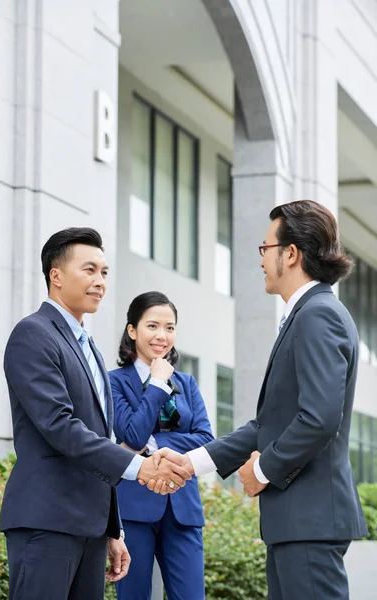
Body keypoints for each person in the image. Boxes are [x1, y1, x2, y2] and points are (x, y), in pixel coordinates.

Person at [151, 201, 369, 600]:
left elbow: (320, 418)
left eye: (264, 248)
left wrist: (263, 469)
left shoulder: (317, 315)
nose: (261, 260)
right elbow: (268, 425)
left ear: (290, 253)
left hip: (309, 521)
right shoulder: (306, 314)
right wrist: (192, 462)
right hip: (297, 523)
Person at [0, 228, 190, 600]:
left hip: (89, 528)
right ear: (56, 276)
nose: (100, 281)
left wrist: (111, 529)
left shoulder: (88, 347)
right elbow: (60, 426)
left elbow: (99, 440)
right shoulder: (33, 334)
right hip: (47, 523)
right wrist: (141, 467)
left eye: (104, 272)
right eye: (89, 270)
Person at [109, 291, 214, 600]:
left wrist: (155, 446)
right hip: (133, 507)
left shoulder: (187, 383)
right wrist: (156, 384)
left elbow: (206, 440)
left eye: (170, 327)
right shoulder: (114, 381)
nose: (162, 335)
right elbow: (131, 434)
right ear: (132, 330)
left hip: (183, 506)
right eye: (153, 326)